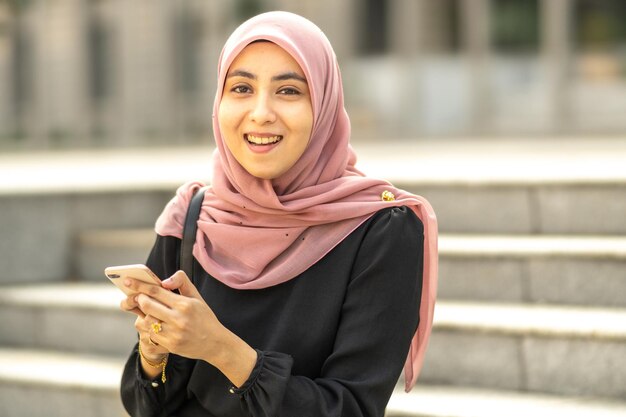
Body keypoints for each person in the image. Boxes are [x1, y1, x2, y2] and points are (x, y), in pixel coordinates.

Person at [119, 11, 437, 417]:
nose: (261, 112)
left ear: (323, 104)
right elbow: (146, 404)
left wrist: (219, 348)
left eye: (288, 91)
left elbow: (351, 408)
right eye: (241, 88)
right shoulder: (193, 219)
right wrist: (155, 349)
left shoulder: (381, 230)